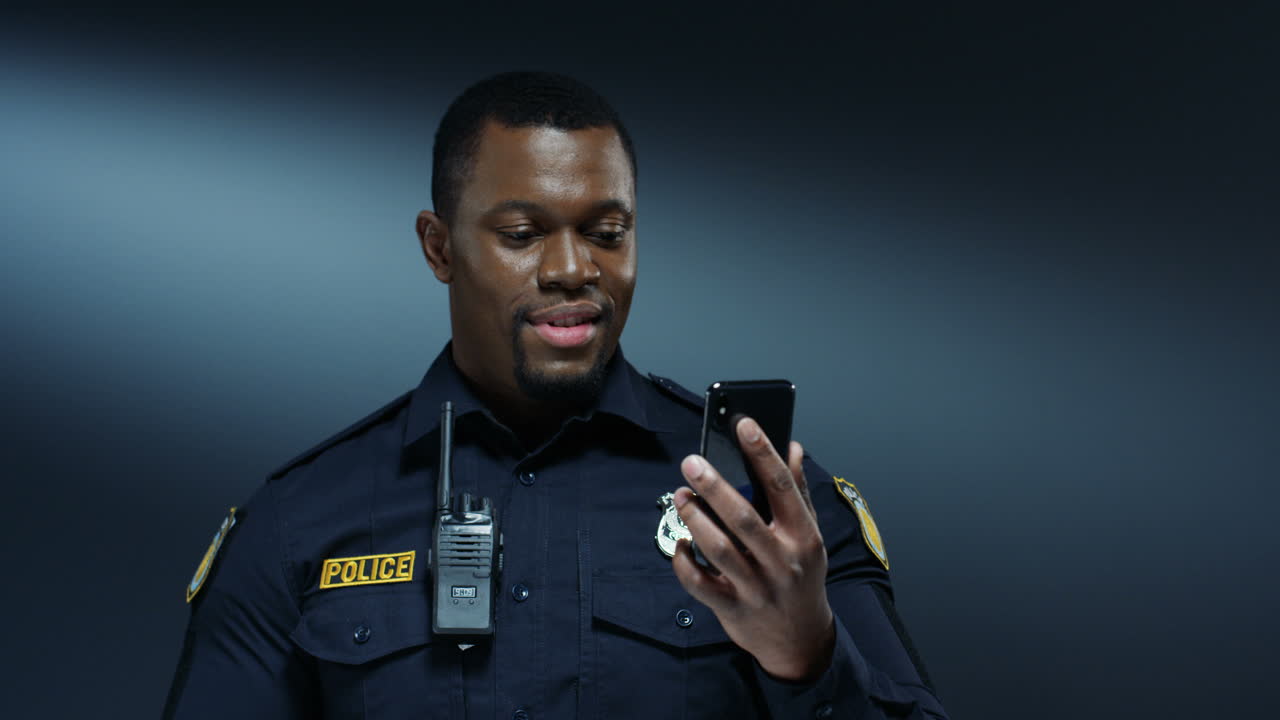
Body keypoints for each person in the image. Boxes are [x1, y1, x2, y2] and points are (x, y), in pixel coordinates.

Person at [163, 70, 948, 720]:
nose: (574, 268)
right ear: (439, 247)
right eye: (522, 234)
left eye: (607, 232)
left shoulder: (772, 518)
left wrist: (806, 657)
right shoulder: (299, 522)